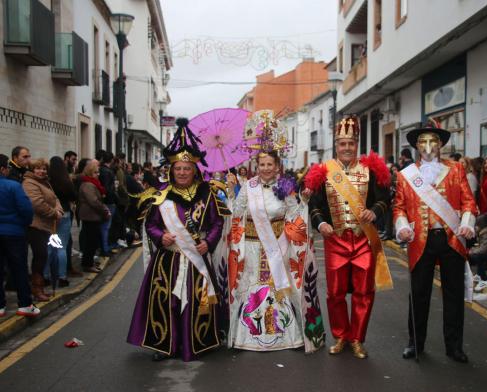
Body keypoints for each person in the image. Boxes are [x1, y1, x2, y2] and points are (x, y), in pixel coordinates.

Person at [127, 118, 228, 362]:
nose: (182, 172)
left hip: (197, 258)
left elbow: (217, 223)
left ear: (195, 170)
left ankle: (197, 343)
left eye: (187, 168)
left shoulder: (208, 194)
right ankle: (164, 346)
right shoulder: (161, 195)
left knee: (196, 302)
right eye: (178, 168)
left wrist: (209, 243)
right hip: (168, 259)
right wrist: (161, 236)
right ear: (171, 169)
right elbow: (150, 224)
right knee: (166, 301)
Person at [228, 111, 324, 352]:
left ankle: (285, 334)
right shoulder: (247, 188)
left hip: (278, 245)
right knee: (252, 284)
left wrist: (302, 200)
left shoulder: (286, 187)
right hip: (251, 246)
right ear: (256, 166)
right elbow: (236, 215)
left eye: (270, 164)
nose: (266, 168)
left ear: (277, 165)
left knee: (277, 285)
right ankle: (247, 334)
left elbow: (295, 215)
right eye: (261, 164)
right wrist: (231, 193)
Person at [305, 116, 392, 359]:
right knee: (335, 292)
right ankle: (341, 335)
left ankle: (357, 338)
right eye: (342, 144)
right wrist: (321, 223)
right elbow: (315, 205)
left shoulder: (370, 171)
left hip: (363, 240)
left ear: (357, 145)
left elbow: (384, 199)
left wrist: (373, 211)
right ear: (336, 145)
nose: (346, 148)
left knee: (364, 292)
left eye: (351, 144)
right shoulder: (324, 172)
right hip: (335, 241)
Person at [393, 122, 477, 363]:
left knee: (453, 294)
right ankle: (415, 343)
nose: (428, 146)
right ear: (417, 146)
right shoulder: (406, 175)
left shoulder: (456, 169)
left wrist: (468, 223)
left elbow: (469, 202)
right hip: (421, 240)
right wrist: (402, 229)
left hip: (451, 237)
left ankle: (454, 346)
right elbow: (398, 207)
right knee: (418, 294)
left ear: (440, 144)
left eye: (433, 141)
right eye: (423, 142)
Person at [0, 154, 39, 318]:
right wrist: (24, 223)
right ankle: (24, 304)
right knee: (19, 269)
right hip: (14, 233)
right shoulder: (13, 186)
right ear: (3, 169)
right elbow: (26, 209)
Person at [22, 158, 64, 302]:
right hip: (35, 225)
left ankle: (39, 287)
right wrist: (54, 213)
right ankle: (37, 288)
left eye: (44, 169)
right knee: (40, 256)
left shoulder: (44, 182)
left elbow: (55, 198)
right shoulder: (29, 183)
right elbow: (37, 204)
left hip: (46, 225)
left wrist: (59, 210)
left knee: (43, 256)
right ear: (32, 170)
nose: (42, 171)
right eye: (38, 168)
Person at [45, 156, 78, 287]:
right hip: (64, 213)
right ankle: (62, 276)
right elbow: (74, 196)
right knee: (61, 247)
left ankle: (46, 275)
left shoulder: (47, 181)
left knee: (48, 246)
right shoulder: (66, 181)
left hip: (50, 215)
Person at [78, 163, 110, 273]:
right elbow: (94, 201)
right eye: (95, 172)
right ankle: (87, 264)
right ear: (90, 172)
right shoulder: (88, 184)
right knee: (90, 242)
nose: (98, 174)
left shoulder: (92, 183)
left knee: (92, 241)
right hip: (90, 216)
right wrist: (104, 210)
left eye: (98, 172)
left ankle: (89, 261)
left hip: (93, 216)